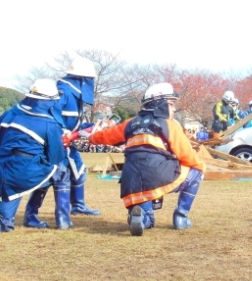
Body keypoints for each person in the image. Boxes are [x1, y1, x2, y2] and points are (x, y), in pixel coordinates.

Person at [0, 79, 71, 240]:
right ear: (49, 101)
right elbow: (55, 159)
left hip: (3, 171)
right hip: (28, 170)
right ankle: (61, 220)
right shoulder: (49, 124)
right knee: (61, 172)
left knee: (3, 222)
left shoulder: (10, 113)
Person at [86, 82, 206, 236]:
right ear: (160, 104)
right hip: (158, 175)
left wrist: (90, 138)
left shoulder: (129, 124)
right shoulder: (169, 125)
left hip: (131, 181)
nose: (174, 109)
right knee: (196, 172)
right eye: (171, 104)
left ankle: (141, 218)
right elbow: (186, 154)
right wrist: (201, 167)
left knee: (148, 218)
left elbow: (106, 136)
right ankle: (181, 217)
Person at [23, 57, 100, 229]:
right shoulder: (63, 91)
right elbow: (50, 115)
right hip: (56, 143)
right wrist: (60, 134)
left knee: (78, 171)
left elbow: (74, 123)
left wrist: (90, 127)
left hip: (67, 142)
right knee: (49, 177)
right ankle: (31, 214)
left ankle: (77, 206)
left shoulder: (74, 95)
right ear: (82, 79)